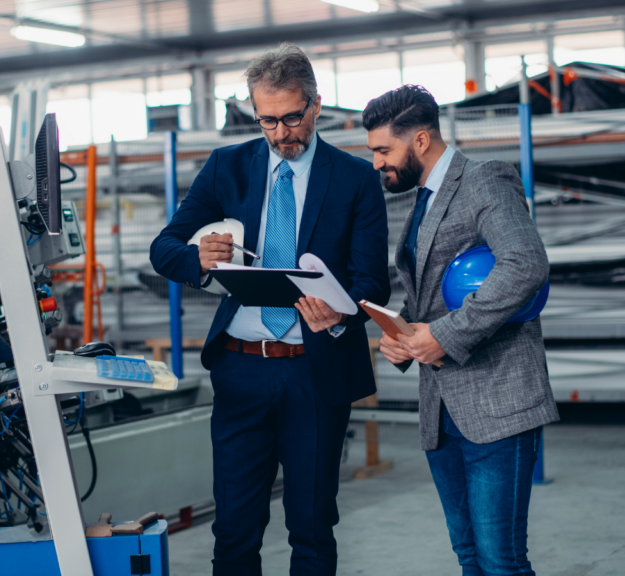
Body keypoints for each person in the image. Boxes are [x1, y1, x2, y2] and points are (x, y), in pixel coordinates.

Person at [150, 43, 389, 576]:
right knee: (234, 531)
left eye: (291, 117)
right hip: (241, 369)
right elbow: (163, 249)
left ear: (316, 105)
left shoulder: (354, 178)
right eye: (267, 121)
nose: (282, 132)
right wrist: (198, 256)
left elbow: (373, 281)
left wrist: (344, 313)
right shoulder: (226, 167)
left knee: (311, 528)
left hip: (316, 372)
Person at [365, 85, 559, 576]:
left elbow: (525, 264)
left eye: (384, 150)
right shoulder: (424, 200)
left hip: (497, 402)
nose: (376, 163)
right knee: (469, 555)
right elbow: (430, 294)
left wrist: (445, 336)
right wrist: (402, 334)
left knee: (501, 561)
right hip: (442, 408)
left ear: (422, 140)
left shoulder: (485, 180)